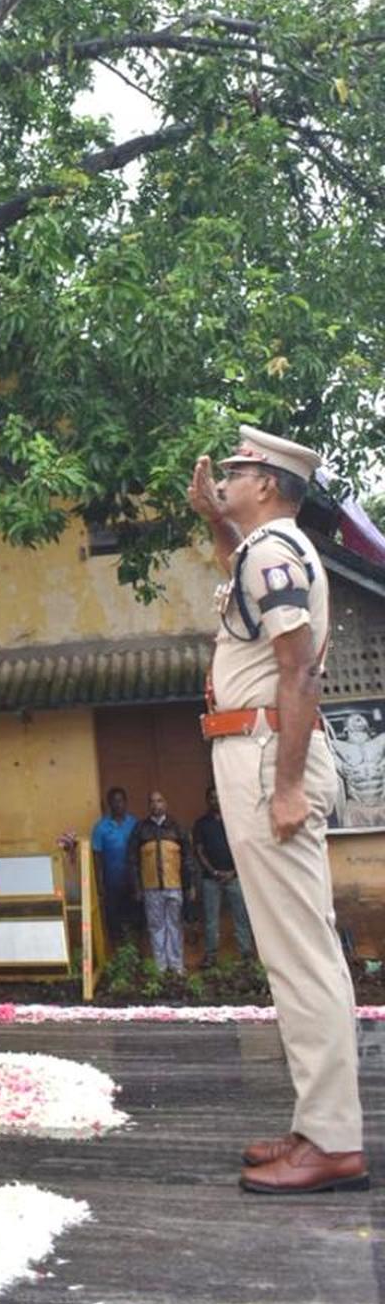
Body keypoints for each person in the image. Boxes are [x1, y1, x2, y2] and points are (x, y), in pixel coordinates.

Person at [189, 425, 367, 1194]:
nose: (224, 476)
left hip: (268, 755)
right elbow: (255, 610)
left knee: (301, 953)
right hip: (261, 751)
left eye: (235, 471)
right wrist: (212, 521)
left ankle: (331, 1141)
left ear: (266, 483)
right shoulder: (266, 549)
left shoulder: (274, 549)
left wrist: (288, 785)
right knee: (294, 949)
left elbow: (297, 674)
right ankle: (315, 1123)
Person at [128, 790, 194, 972]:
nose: (156, 804)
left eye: (159, 801)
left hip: (174, 886)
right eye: (152, 801)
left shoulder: (176, 827)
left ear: (165, 804)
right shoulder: (141, 829)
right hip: (150, 888)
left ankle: (177, 965)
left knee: (175, 926)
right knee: (156, 927)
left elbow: (188, 857)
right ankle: (160, 967)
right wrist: (137, 887)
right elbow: (132, 859)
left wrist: (190, 885)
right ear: (148, 806)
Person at [193, 784, 254, 964]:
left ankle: (246, 955)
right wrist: (213, 871)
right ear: (207, 800)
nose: (216, 800)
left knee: (241, 917)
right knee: (211, 920)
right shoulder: (201, 824)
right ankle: (211, 956)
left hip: (234, 877)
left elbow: (243, 848)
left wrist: (234, 871)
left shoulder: (234, 822)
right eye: (212, 797)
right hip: (211, 879)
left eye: (219, 797)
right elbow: (199, 850)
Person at [89, 785, 140, 947]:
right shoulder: (100, 827)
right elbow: (97, 857)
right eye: (114, 801)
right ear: (109, 804)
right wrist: (99, 883)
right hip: (112, 882)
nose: (118, 804)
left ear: (126, 802)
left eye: (121, 801)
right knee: (113, 920)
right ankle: (118, 955)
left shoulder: (135, 823)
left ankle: (135, 955)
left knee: (135, 919)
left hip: (133, 881)